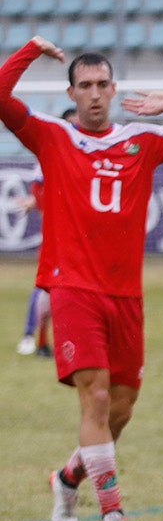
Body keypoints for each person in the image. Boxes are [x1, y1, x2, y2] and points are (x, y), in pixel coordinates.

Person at [0, 37, 163, 521]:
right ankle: (112, 513)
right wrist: (29, 50)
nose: (96, 95)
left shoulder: (141, 140)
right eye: (86, 86)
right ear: (72, 92)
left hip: (126, 295)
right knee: (96, 398)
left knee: (120, 410)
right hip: (72, 288)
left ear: (114, 87)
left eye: (103, 84)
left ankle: (66, 479)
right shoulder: (51, 136)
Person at [14, 107, 77, 360]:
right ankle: (34, 336)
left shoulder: (90, 150)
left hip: (83, 233)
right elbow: (40, 188)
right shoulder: (51, 150)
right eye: (70, 124)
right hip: (59, 233)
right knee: (47, 284)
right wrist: (43, 208)